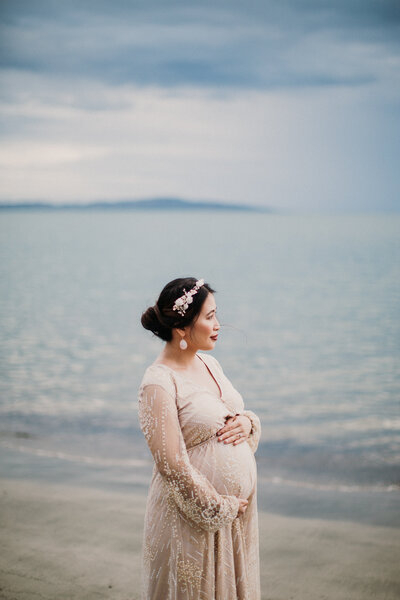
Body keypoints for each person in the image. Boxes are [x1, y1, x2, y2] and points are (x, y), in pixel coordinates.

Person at [138, 277, 261, 599]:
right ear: (181, 326)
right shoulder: (158, 383)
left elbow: (231, 414)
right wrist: (218, 507)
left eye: (216, 314)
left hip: (233, 516)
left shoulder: (210, 363)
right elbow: (171, 464)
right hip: (190, 517)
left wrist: (248, 423)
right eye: (209, 317)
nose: (218, 325)